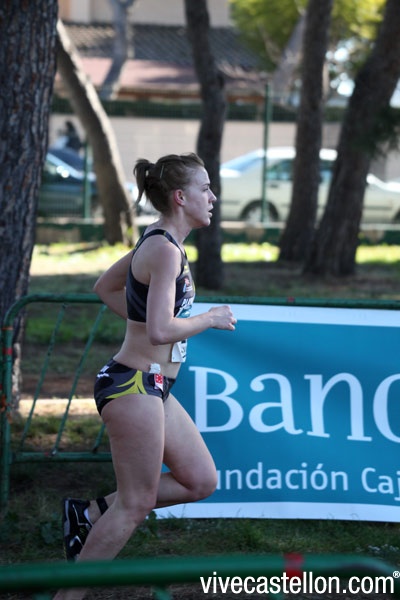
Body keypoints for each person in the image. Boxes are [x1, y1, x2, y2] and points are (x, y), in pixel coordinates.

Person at [54, 153, 236, 600]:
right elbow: (160, 330)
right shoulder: (163, 249)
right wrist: (209, 319)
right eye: (205, 188)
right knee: (135, 504)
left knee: (200, 480)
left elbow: (105, 288)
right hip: (133, 384)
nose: (213, 197)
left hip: (153, 385)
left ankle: (89, 514)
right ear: (181, 197)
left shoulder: (160, 242)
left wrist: (142, 324)